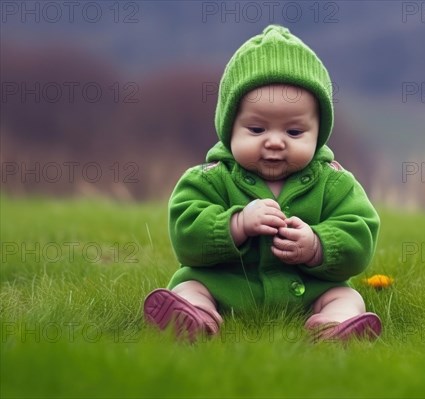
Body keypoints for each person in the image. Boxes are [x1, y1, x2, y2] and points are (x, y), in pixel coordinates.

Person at [144, 24, 381, 342]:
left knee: (346, 297)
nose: (274, 142)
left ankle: (334, 327)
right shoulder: (209, 178)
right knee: (190, 285)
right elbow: (186, 236)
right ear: (229, 128)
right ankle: (196, 316)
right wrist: (236, 224)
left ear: (319, 131)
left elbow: (359, 235)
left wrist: (316, 246)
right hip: (224, 285)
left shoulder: (335, 183)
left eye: (294, 132)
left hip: (308, 290)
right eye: (256, 129)